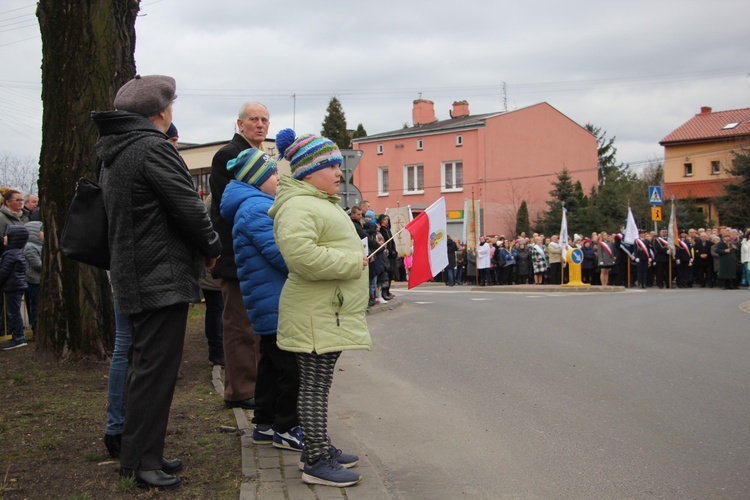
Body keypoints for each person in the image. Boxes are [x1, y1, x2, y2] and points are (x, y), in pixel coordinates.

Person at [93, 74, 221, 490]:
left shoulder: (116, 149)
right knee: (154, 372)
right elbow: (188, 207)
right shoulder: (151, 148)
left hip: (135, 272)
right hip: (158, 274)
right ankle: (141, 461)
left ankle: (143, 454)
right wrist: (211, 245)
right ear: (162, 112)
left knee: (144, 367)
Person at [269, 128, 369, 488]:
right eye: (332, 166)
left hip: (325, 310)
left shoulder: (316, 202)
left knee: (319, 383)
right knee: (313, 385)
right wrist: (351, 261)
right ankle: (314, 460)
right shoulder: (298, 206)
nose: (340, 174)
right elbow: (300, 257)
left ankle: (320, 446)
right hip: (313, 312)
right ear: (310, 171)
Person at [220, 147, 304, 452]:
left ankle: (265, 423)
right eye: (272, 173)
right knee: (291, 367)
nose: (278, 178)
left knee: (270, 364)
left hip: (268, 300)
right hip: (274, 301)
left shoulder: (252, 204)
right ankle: (287, 426)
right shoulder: (256, 208)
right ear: (257, 179)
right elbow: (282, 255)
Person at [209, 102, 270, 410]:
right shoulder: (228, 156)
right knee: (239, 325)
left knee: (255, 325)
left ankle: (254, 386)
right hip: (236, 255)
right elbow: (233, 207)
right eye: (253, 119)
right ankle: (241, 390)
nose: (260, 124)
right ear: (240, 124)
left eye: (264, 120)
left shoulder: (261, 156)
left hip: (251, 252)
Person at [200, 195, 225, 366]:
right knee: (216, 311)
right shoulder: (214, 200)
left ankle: (218, 352)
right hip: (213, 267)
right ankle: (216, 353)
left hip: (216, 266)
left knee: (217, 311)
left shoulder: (215, 197)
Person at [0, 225, 29, 350]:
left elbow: (3, 272)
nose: (4, 237)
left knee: (13, 312)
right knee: (13, 311)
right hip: (17, 286)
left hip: (13, 286)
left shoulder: (10, 254)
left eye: (7, 235)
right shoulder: (17, 252)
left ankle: (18, 337)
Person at [23, 221, 42, 335]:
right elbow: (37, 264)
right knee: (35, 304)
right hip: (33, 281)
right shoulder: (29, 247)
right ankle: (35, 327)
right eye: (41, 230)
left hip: (38, 280)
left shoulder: (40, 245)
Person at [0, 188, 28, 253]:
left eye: (21, 200)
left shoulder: (25, 217)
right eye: (17, 200)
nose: (20, 202)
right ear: (8, 202)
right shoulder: (1, 217)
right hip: (8, 255)